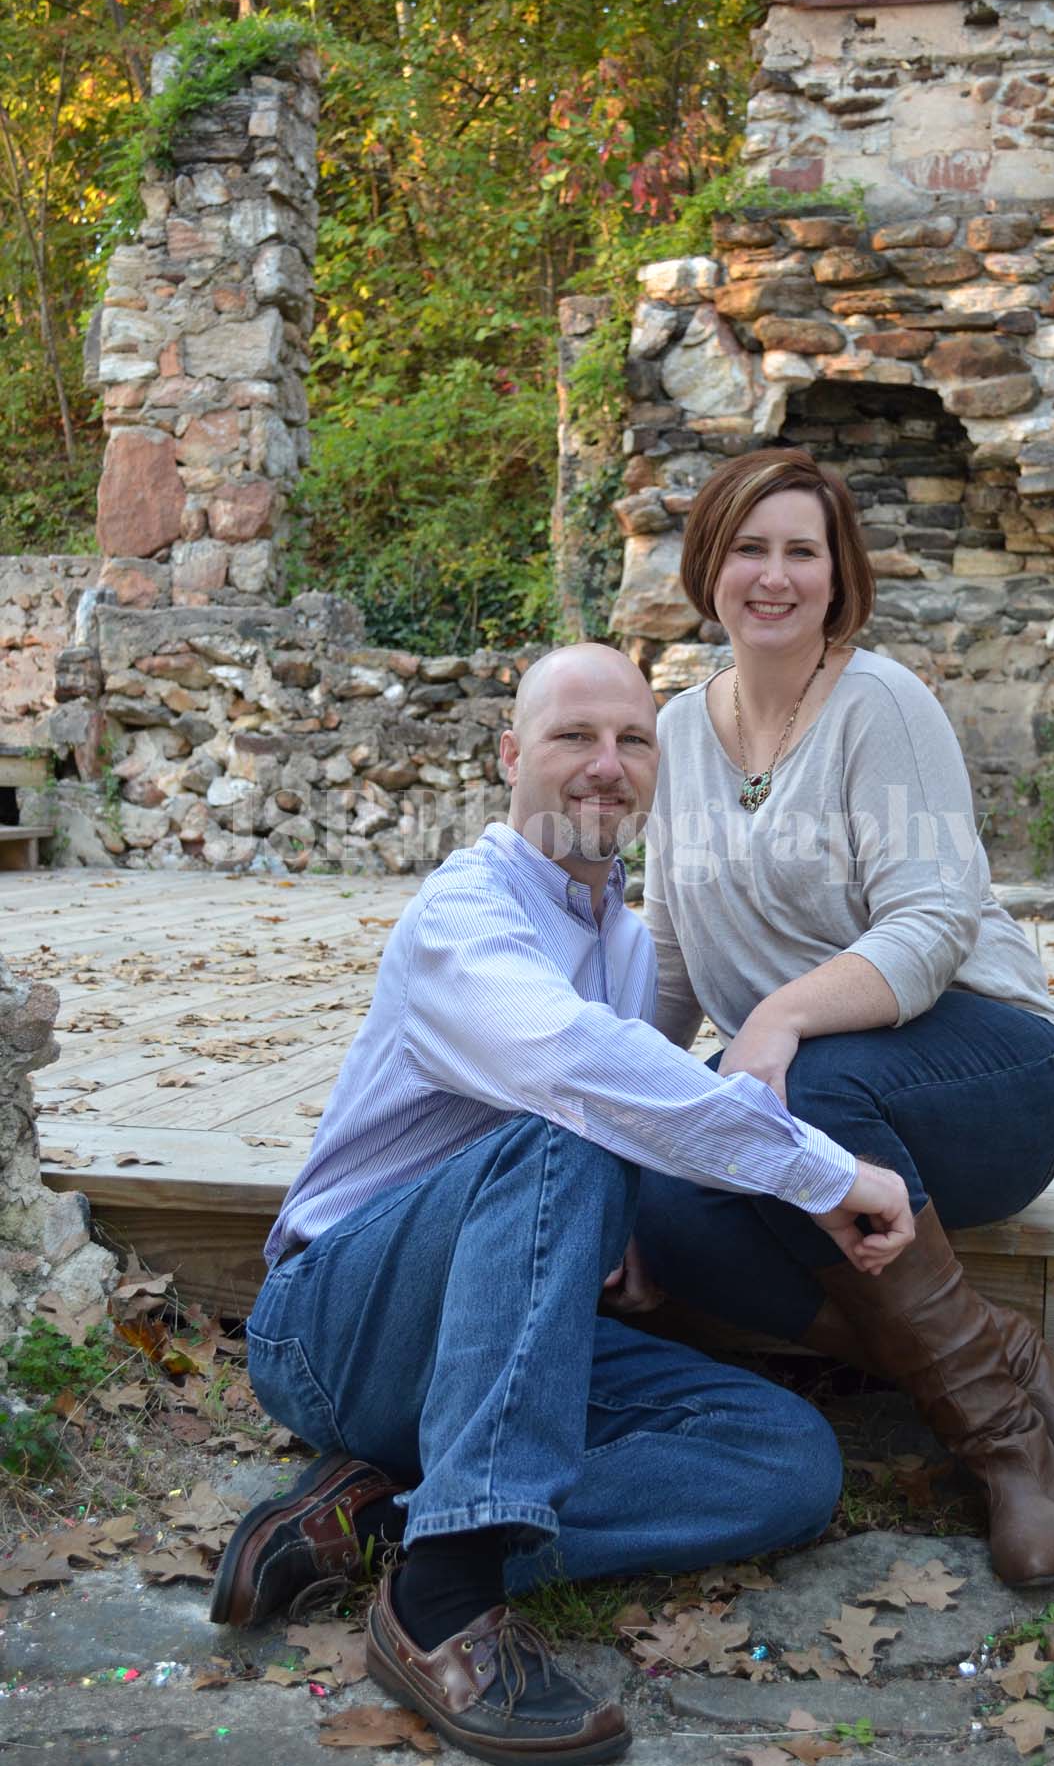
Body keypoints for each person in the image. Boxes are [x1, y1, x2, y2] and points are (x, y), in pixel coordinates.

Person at [210, 642, 914, 1766]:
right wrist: (825, 1174)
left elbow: (638, 1106)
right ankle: (441, 1598)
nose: (606, 764)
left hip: (494, 1341)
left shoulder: (623, 943)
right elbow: (577, 1074)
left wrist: (614, 1224)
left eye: (633, 740)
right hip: (339, 1326)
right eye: (573, 737)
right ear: (510, 757)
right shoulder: (464, 910)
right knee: (569, 1121)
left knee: (785, 1458)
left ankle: (377, 1525)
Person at [635, 447, 1054, 1595]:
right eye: (749, 549)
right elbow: (668, 959)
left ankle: (1003, 1453)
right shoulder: (675, 734)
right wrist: (618, 1114)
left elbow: (935, 922)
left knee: (806, 1086)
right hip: (810, 1100)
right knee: (663, 1201)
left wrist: (779, 1019)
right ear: (708, 567)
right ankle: (1006, 1362)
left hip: (984, 1076)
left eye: (800, 552)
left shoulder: (882, 705)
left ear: (837, 575)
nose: (774, 576)